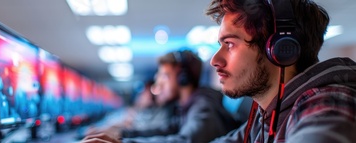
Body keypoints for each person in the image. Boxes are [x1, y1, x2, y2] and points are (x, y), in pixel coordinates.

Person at [205, 0, 356, 142]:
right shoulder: (268, 115)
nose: (214, 60)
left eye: (230, 44)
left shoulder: (328, 105)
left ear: (280, 49)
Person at [82, 50, 241, 143]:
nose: (158, 83)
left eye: (164, 76)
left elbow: (186, 141)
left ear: (182, 78)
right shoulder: (185, 106)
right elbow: (165, 130)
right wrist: (120, 134)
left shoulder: (204, 105)